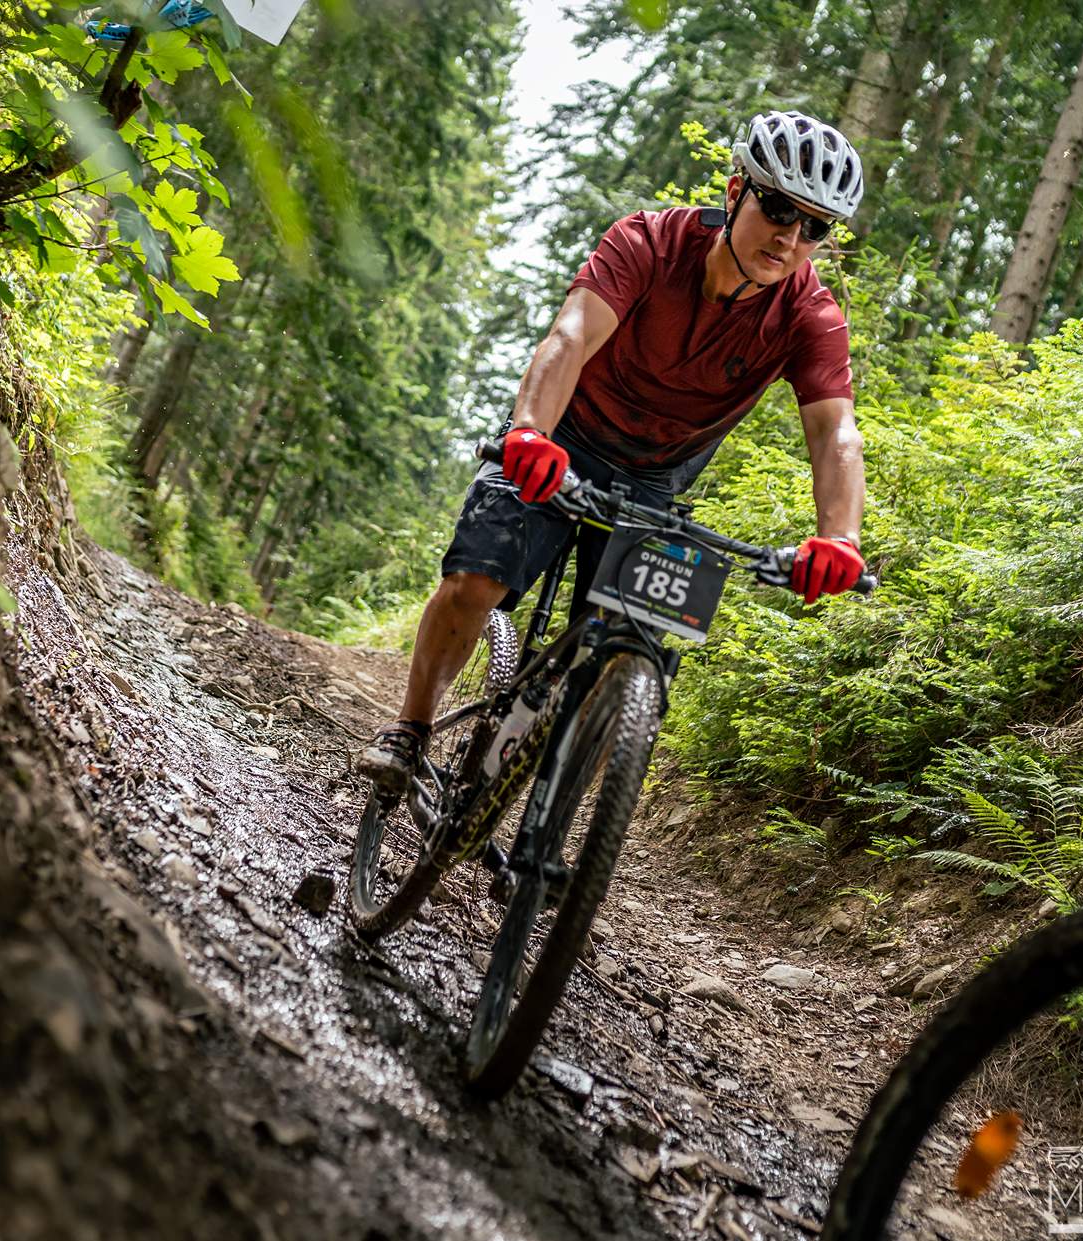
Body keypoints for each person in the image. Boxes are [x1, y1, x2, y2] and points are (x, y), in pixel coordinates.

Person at [357, 109, 870, 790]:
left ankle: (543, 810)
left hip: (655, 480)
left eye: (815, 227)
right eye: (778, 208)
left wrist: (840, 538)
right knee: (476, 581)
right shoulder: (648, 243)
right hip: (561, 437)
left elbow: (835, 432)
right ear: (735, 191)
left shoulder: (809, 315)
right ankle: (411, 729)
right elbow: (570, 336)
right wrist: (529, 432)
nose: (790, 236)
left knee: (626, 663)